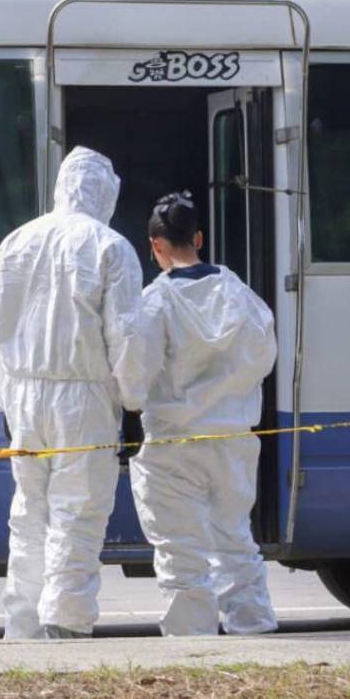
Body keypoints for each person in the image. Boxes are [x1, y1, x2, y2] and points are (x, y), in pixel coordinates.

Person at [0, 146, 142, 640]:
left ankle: (21, 624)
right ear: (105, 192)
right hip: (84, 398)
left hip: (24, 395)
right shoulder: (110, 247)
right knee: (78, 510)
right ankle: (64, 628)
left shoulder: (17, 241)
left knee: (29, 512)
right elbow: (127, 335)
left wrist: (7, 397)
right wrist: (133, 404)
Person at [122, 190, 278, 637]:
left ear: (155, 246)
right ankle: (255, 630)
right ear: (199, 238)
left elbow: (134, 380)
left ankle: (194, 643)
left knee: (180, 550)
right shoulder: (239, 292)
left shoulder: (155, 302)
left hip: (173, 446)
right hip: (232, 440)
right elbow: (262, 356)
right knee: (234, 538)